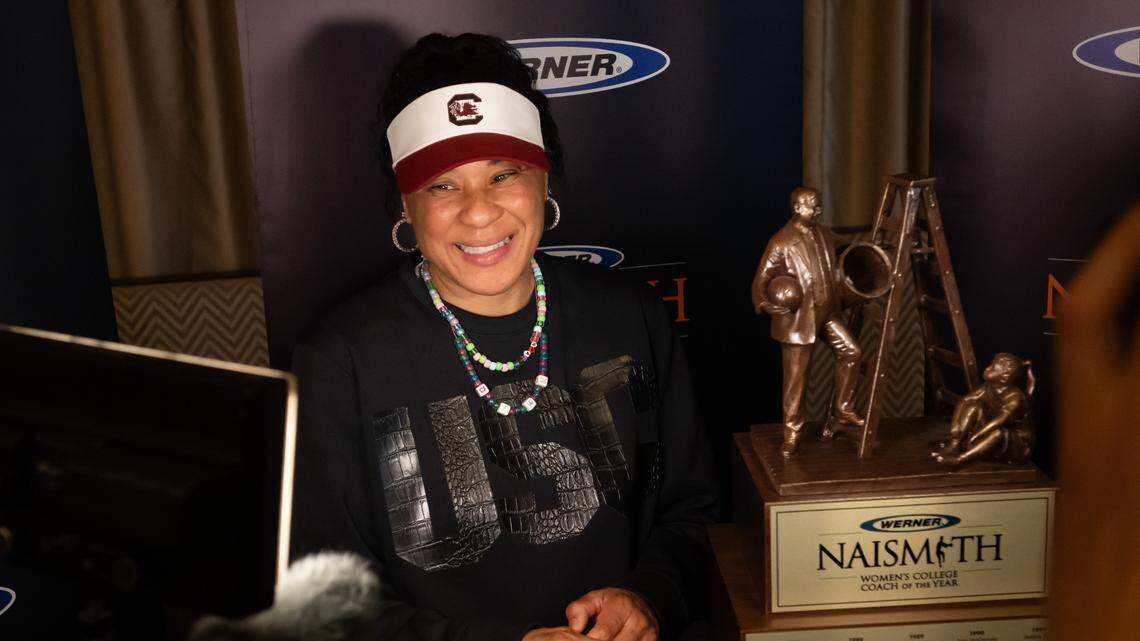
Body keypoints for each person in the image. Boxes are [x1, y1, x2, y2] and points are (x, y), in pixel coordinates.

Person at [289, 33, 717, 641]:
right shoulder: (340, 361)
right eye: (442, 185)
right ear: (405, 205)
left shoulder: (630, 316)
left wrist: (649, 597)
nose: (479, 210)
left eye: (503, 174)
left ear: (544, 181)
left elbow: (695, 513)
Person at [751, 187, 863, 458]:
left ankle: (843, 409)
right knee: (796, 382)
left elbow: (847, 249)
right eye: (813, 206)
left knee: (852, 352)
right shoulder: (781, 241)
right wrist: (764, 304)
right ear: (798, 208)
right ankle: (792, 433)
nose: (818, 210)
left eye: (818, 205)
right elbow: (760, 279)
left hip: (828, 313)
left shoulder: (823, 233)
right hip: (799, 321)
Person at [932, 353, 1034, 466]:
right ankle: (955, 443)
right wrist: (955, 432)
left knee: (998, 433)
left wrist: (977, 435)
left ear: (1005, 376)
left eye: (992, 367)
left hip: (1014, 442)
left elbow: (1000, 421)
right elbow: (964, 401)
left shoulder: (1015, 397)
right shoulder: (987, 387)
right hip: (988, 429)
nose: (987, 368)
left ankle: (960, 459)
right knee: (973, 406)